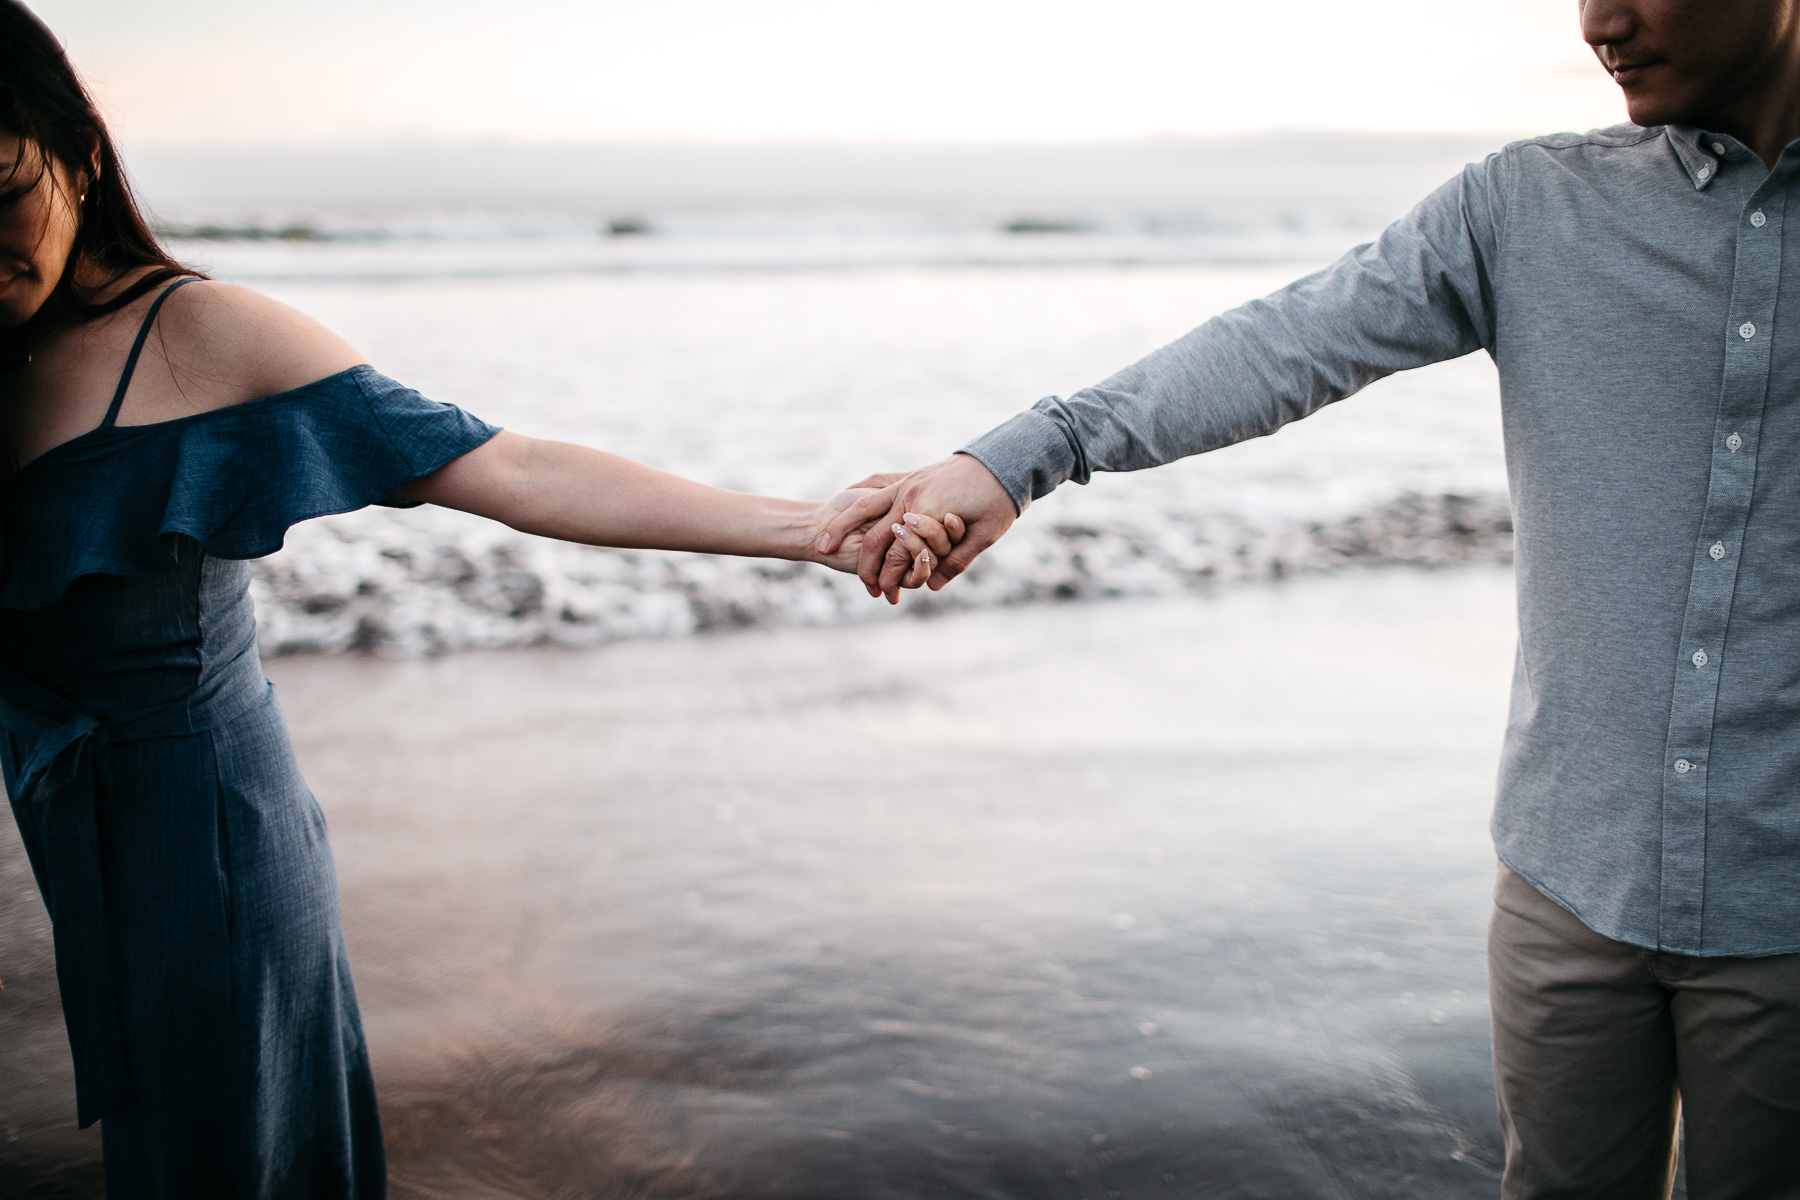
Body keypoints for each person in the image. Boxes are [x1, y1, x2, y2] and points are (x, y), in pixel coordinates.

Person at [829, 1, 1800, 1196]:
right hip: (1570, 873)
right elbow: (1288, 341)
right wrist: (1027, 454)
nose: (1602, 20)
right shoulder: (1531, 205)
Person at [0, 4, 948, 1195]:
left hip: (206, 840)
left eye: (2, 193)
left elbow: (512, 467)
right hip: (68, 819)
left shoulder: (199, 336)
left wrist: (809, 530)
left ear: (82, 155)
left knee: (224, 1157)